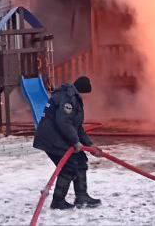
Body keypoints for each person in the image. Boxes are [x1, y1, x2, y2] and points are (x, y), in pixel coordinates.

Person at [32, 76, 101, 210]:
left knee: (80, 161)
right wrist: (75, 141)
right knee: (69, 167)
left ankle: (82, 197)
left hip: (59, 136)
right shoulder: (68, 98)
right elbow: (63, 122)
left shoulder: (72, 97)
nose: (85, 98)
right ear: (82, 90)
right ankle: (58, 201)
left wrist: (89, 145)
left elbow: (77, 127)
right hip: (51, 138)